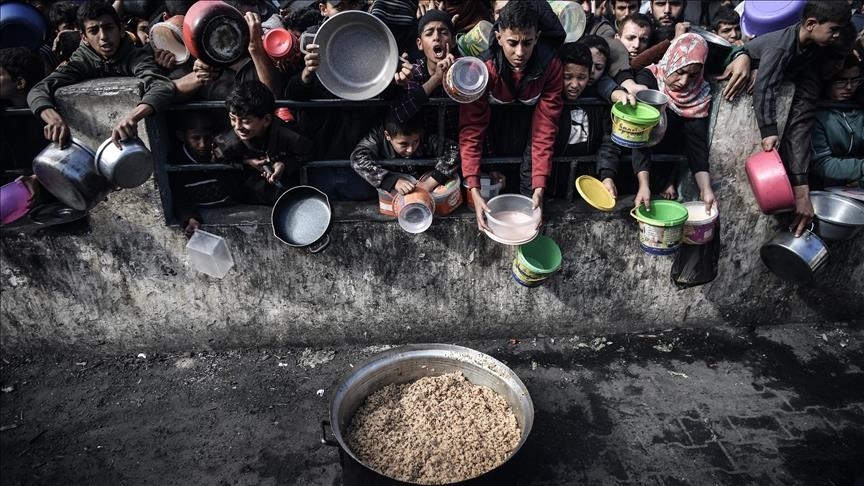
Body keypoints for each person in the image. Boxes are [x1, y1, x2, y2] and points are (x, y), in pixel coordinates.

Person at [736, 1, 851, 236]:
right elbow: (765, 87)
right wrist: (769, 130)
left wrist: (800, 184)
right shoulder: (782, 46)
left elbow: (802, 118)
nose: (835, 36)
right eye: (834, 31)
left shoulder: (809, 54)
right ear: (810, 24)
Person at [460, 1, 564, 231]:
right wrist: (473, 187)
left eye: (527, 43)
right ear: (498, 38)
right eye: (512, 43)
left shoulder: (551, 67)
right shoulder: (483, 70)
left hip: (530, 141)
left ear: (537, 37)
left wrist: (539, 185)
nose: (520, 52)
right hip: (493, 139)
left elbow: (545, 128)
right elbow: (472, 128)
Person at [26, 0, 175, 149]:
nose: (103, 36)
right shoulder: (80, 61)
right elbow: (38, 90)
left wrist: (133, 116)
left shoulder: (136, 57)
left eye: (108, 28)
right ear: (84, 37)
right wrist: (53, 119)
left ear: (121, 30)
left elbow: (161, 85)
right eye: (93, 30)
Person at [631, 33, 716, 214]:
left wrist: (705, 189)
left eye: (693, 75)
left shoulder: (698, 96)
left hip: (666, 168)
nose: (684, 82)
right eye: (680, 72)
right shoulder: (648, 80)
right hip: (634, 166)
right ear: (671, 61)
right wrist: (643, 185)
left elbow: (697, 147)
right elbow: (641, 138)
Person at [214, 81, 313, 198]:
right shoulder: (229, 142)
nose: (237, 127)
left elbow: (309, 152)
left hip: (287, 198)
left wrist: (284, 164)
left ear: (266, 120)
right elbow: (217, 157)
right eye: (233, 119)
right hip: (246, 202)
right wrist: (246, 162)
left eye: (246, 121)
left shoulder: (290, 136)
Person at [554, 42, 623, 199]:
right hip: (553, 178)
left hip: (588, 180)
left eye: (582, 78)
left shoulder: (598, 100)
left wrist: (607, 175)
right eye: (567, 77)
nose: (575, 85)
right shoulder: (550, 102)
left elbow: (609, 141)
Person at [350, 113, 459, 195]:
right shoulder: (377, 136)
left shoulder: (425, 135)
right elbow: (357, 158)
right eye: (403, 144)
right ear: (387, 136)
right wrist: (391, 181)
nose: (410, 149)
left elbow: (455, 150)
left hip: (426, 183)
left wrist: (429, 184)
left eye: (416, 141)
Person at [168, 112, 238, 238]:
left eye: (207, 137)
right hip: (203, 212)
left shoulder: (220, 153)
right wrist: (190, 218)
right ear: (181, 136)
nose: (203, 144)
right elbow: (179, 196)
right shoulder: (176, 161)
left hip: (231, 208)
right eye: (196, 138)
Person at [389, 10, 457, 138]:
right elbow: (398, 115)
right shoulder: (412, 73)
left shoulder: (464, 69)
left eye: (443, 32)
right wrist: (436, 79)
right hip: (425, 152)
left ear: (452, 41)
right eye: (429, 33)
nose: (436, 37)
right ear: (420, 44)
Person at [810, 56, 864, 187]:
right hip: (825, 188)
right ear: (826, 81)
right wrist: (861, 168)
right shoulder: (816, 116)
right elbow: (821, 164)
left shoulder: (859, 110)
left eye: (855, 80)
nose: (849, 87)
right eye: (841, 81)